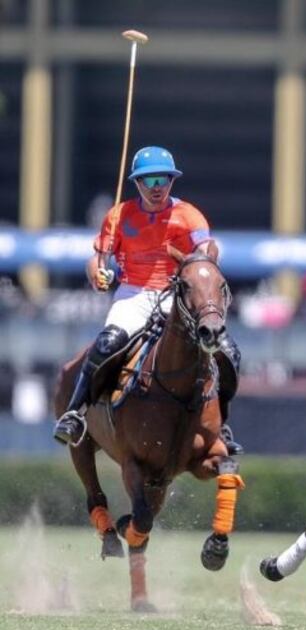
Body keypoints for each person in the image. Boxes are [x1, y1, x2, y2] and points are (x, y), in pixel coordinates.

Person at [52, 146, 243, 455]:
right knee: (107, 343)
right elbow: (97, 259)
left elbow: (209, 248)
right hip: (133, 293)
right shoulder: (119, 216)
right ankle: (75, 413)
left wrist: (203, 265)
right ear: (137, 183)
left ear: (172, 181)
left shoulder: (188, 215)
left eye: (163, 180)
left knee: (227, 352)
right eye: (149, 180)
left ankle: (220, 423)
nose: (157, 188)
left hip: (176, 294)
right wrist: (98, 275)